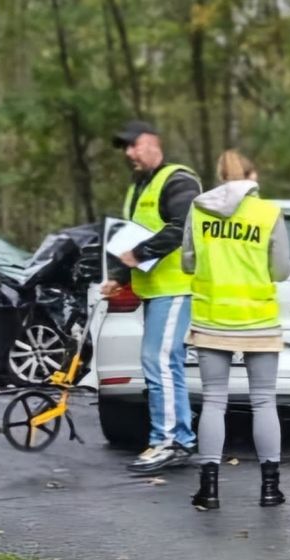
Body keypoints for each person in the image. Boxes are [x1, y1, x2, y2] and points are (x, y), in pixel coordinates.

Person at [182, 150, 290, 509]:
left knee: (214, 401)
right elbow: (282, 270)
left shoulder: (199, 210)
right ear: (252, 176)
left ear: (220, 176)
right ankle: (270, 490)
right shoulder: (268, 213)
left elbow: (187, 261)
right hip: (259, 320)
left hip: (212, 318)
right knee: (263, 401)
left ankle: (209, 491)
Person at [101, 120, 202, 474]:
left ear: (153, 142)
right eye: (125, 148)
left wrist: (139, 254)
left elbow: (182, 228)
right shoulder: (140, 186)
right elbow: (135, 236)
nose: (129, 153)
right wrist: (118, 276)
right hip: (154, 290)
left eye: (134, 145)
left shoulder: (179, 180)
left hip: (175, 288)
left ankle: (172, 441)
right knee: (161, 362)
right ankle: (175, 438)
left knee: (160, 361)